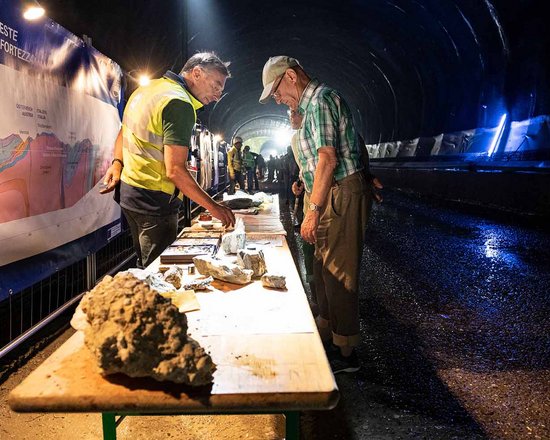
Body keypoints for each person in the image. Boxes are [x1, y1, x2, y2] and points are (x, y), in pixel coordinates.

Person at [259, 55, 371, 373]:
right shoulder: (309, 109)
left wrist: (313, 211)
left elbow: (328, 159)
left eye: (277, 91)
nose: (278, 99)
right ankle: (326, 331)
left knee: (339, 272)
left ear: (291, 76)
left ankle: (346, 351)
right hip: (327, 191)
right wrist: (303, 186)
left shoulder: (321, 100)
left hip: (339, 192)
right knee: (322, 268)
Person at [101, 51, 235, 268]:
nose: (218, 95)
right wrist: (214, 208)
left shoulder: (145, 91)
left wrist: (117, 163)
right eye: (217, 85)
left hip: (129, 193)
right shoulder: (180, 104)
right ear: (197, 73)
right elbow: (175, 170)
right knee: (161, 273)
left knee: (145, 265)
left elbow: (124, 131)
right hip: (155, 201)